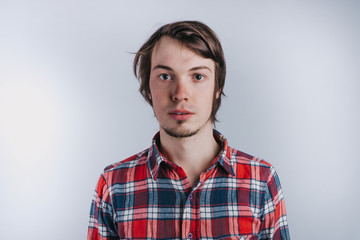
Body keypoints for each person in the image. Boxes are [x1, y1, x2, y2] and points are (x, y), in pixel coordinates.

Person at [87, 21, 290, 240]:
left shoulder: (262, 181)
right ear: (148, 88)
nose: (180, 94)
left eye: (198, 76)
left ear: (217, 86)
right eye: (165, 76)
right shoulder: (114, 184)